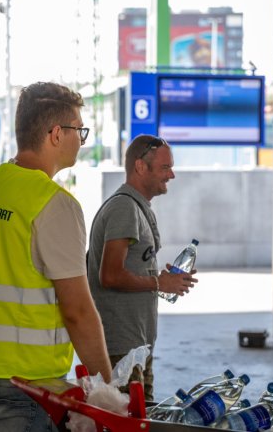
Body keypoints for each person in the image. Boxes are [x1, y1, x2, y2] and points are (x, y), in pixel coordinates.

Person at [0, 81, 112, 432]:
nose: (81, 141)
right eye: (78, 131)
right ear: (56, 134)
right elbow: (78, 311)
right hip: (29, 379)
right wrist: (106, 388)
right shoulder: (54, 206)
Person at [86, 134, 197, 401]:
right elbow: (110, 275)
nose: (171, 175)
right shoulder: (124, 207)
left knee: (141, 418)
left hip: (136, 347)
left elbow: (128, 267)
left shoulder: (136, 206)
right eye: (165, 168)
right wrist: (159, 283)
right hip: (121, 350)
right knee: (124, 422)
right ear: (139, 167)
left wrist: (161, 278)